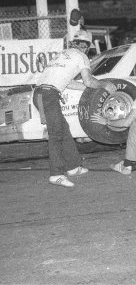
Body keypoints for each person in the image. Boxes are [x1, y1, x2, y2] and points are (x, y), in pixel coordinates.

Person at [33, 30, 117, 188]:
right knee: (56, 133)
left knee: (63, 130)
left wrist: (89, 89)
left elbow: (69, 83)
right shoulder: (82, 56)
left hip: (41, 94)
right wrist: (104, 85)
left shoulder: (64, 54)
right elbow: (89, 81)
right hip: (48, 95)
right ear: (87, 47)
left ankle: (73, 167)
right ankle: (56, 174)